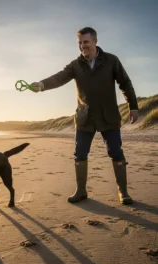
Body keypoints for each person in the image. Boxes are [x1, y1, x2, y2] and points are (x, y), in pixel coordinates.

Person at [30, 27, 139, 205]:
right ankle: (81, 191)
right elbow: (59, 78)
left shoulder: (112, 61)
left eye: (86, 42)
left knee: (116, 152)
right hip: (84, 117)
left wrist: (133, 106)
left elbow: (125, 83)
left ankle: (123, 191)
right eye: (80, 43)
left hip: (108, 115)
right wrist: (42, 84)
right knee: (80, 153)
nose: (82, 46)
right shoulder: (75, 65)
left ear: (95, 41)